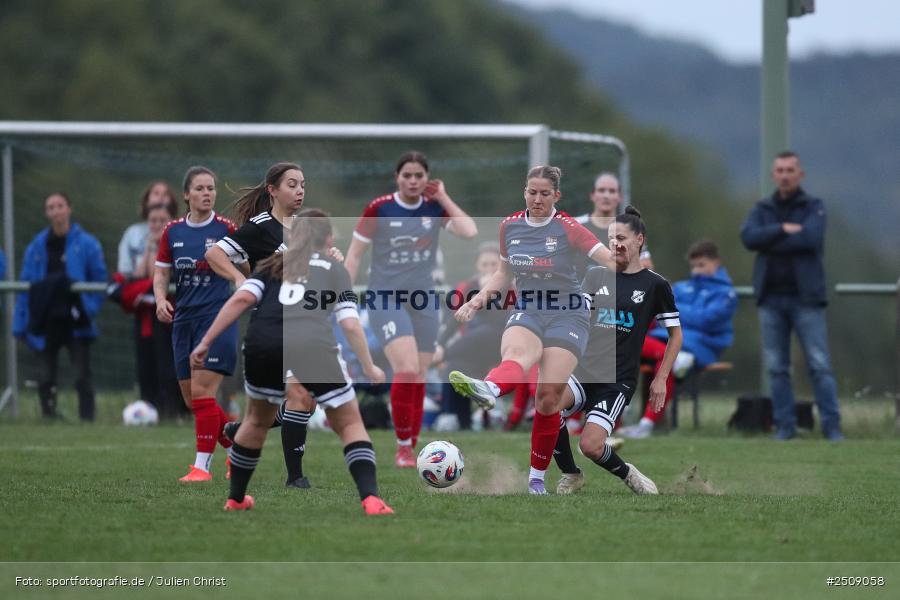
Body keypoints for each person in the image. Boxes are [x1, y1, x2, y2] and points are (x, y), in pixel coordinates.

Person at [190, 209, 393, 515]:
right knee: (350, 422)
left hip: (263, 342)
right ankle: (371, 500)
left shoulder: (272, 264)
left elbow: (241, 300)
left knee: (255, 421)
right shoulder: (334, 268)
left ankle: (235, 499)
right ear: (328, 238)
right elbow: (350, 324)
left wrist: (206, 342)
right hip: (312, 344)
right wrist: (369, 366)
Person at [449, 165, 614, 495]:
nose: (537, 199)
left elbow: (609, 260)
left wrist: (632, 268)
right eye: (531, 192)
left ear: (556, 195)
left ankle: (536, 479)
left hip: (568, 314)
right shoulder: (509, 226)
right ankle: (491, 390)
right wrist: (476, 301)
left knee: (548, 398)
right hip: (528, 307)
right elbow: (502, 273)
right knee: (517, 354)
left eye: (544, 193)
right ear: (524, 192)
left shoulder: (569, 228)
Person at [344, 151, 477, 467]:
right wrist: (342, 297)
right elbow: (353, 256)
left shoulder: (434, 207)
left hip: (424, 301)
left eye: (420, 175)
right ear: (397, 178)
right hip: (385, 299)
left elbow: (469, 231)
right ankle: (403, 447)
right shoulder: (380, 209)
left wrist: (444, 196)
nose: (414, 181)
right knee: (404, 370)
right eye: (408, 175)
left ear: (427, 179)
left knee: (417, 375)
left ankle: (413, 447)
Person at [206, 162, 334, 487]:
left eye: (303, 184)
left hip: (303, 323)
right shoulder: (261, 226)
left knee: (303, 399)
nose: (300, 190)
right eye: (292, 184)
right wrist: (239, 277)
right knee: (299, 395)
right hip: (274, 324)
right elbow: (215, 254)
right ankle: (295, 478)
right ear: (272, 190)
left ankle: (241, 430)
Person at [552, 206, 680, 495]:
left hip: (616, 380)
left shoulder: (655, 285)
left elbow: (676, 335)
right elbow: (577, 318)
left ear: (639, 241)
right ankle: (571, 473)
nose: (616, 244)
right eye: (611, 239)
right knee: (548, 403)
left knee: (591, 446)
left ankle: (628, 474)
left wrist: (660, 379)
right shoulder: (596, 275)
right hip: (583, 371)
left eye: (622, 238)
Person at [740, 151, 842, 441]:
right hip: (770, 299)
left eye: (790, 169)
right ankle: (784, 427)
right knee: (777, 368)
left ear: (800, 174)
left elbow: (810, 238)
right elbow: (748, 237)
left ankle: (832, 427)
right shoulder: (763, 207)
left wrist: (769, 240)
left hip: (806, 299)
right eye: (780, 170)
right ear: (774, 175)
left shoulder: (814, 206)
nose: (785, 175)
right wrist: (782, 229)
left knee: (819, 364)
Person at [154, 166, 238, 481]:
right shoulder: (172, 231)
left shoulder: (227, 229)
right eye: (200, 188)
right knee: (194, 400)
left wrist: (242, 280)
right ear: (186, 194)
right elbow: (161, 272)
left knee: (203, 393)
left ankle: (201, 467)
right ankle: (238, 450)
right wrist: (162, 300)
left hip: (217, 319)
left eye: (211, 188)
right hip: (184, 320)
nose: (207, 193)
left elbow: (247, 266)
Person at [619, 240, 737, 439]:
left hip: (703, 346)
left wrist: (674, 311)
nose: (696, 270)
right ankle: (635, 423)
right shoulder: (682, 287)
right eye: (693, 266)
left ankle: (643, 424)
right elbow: (661, 310)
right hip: (666, 339)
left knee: (653, 353)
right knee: (622, 346)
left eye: (701, 265)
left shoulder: (726, 293)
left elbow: (706, 321)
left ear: (716, 262)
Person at [13, 193, 107, 421]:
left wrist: (89, 309)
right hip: (46, 318)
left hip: (75, 318)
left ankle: (87, 419)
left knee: (81, 374)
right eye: (50, 207)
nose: (55, 211)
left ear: (69, 208)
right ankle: (48, 416)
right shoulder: (36, 246)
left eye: (59, 206)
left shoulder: (87, 244)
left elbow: (100, 279)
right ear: (47, 212)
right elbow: (26, 285)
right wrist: (21, 322)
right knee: (45, 376)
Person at [115, 184, 182, 418]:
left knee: (170, 361)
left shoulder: (177, 240)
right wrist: (150, 246)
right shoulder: (146, 240)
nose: (156, 225)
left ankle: (175, 409)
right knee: (148, 362)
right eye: (152, 221)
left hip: (174, 309)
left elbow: (160, 274)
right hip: (147, 312)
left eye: (161, 220)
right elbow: (139, 274)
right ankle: (152, 407)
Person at [436, 242, 508, 430]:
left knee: (489, 331)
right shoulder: (467, 286)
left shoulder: (512, 287)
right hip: (471, 351)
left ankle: (444, 354)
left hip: (502, 348)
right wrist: (441, 343)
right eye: (485, 264)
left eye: (494, 264)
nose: (490, 269)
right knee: (455, 367)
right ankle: (461, 421)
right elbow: (454, 320)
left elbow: (501, 323)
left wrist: (490, 295)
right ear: (478, 266)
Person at [574, 172, 652, 279]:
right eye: (601, 190)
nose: (606, 195)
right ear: (592, 195)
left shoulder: (631, 228)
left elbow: (646, 267)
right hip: (580, 293)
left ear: (620, 197)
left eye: (612, 191)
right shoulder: (575, 225)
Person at [117, 181, 179, 276]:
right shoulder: (133, 233)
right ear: (147, 200)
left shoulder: (179, 234)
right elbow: (126, 271)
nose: (161, 197)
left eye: (166, 194)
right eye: (156, 193)